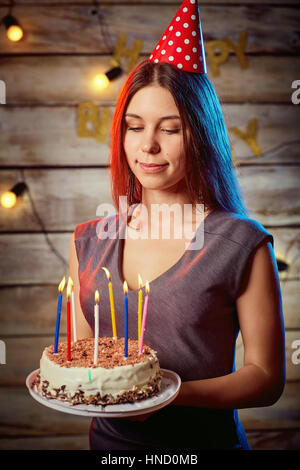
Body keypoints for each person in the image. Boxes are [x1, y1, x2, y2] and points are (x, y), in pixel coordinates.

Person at [69, 1, 285, 451]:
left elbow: (266, 379)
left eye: (170, 129)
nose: (147, 145)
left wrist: (171, 395)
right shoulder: (88, 241)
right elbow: (80, 359)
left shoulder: (241, 244)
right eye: (134, 126)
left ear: (200, 134)